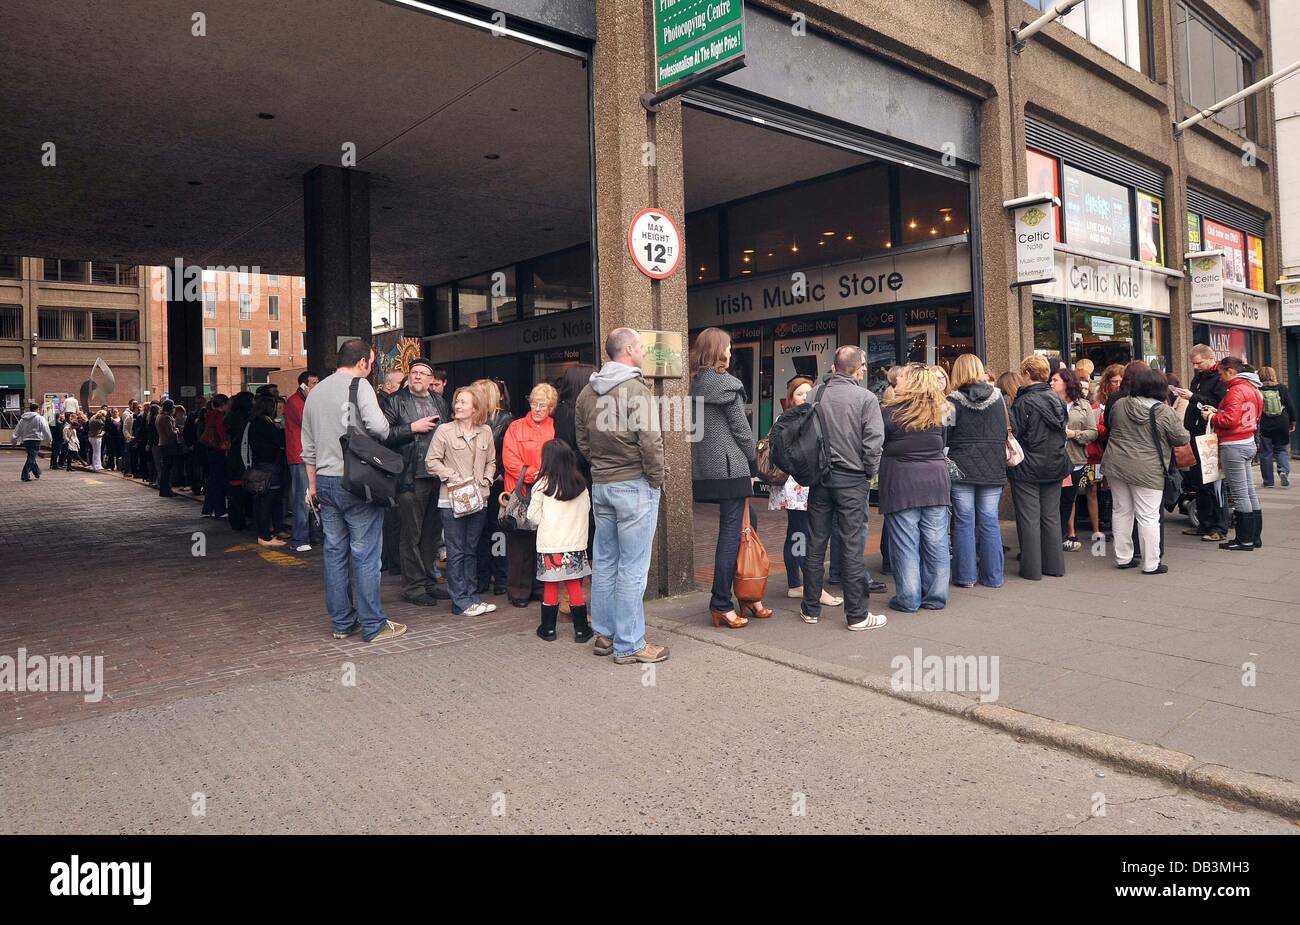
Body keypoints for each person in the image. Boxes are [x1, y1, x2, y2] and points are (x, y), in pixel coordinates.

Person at [303, 339, 432, 642]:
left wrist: (311, 487)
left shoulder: (315, 391)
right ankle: (373, 625)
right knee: (365, 554)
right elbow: (381, 429)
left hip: (324, 480)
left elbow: (307, 447)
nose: (371, 368)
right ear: (361, 362)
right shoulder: (359, 387)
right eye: (371, 363)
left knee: (335, 553)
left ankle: (342, 623)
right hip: (356, 481)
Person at [575, 328, 669, 663]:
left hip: (602, 484)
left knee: (604, 563)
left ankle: (604, 636)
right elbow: (651, 442)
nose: (643, 353)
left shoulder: (588, 392)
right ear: (628, 349)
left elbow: (582, 441)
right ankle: (630, 644)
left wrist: (600, 467)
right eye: (640, 348)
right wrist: (655, 479)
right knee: (632, 567)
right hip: (634, 484)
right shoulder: (636, 389)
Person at [797, 345, 887, 630]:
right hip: (852, 479)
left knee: (815, 542)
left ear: (834, 367)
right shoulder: (866, 398)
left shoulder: (815, 394)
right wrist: (868, 474)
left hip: (820, 478)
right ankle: (857, 615)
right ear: (858, 369)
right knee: (850, 545)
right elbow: (873, 442)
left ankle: (810, 609)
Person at [690, 327, 771, 629]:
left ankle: (748, 595)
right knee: (732, 533)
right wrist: (752, 467)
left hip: (708, 467)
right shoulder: (726, 385)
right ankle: (722, 603)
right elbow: (741, 430)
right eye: (728, 347)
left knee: (750, 525)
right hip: (731, 466)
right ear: (718, 352)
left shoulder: (695, 385)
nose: (730, 351)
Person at [1102, 365, 1190, 574]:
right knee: (1148, 516)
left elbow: (1112, 426)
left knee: (1121, 511)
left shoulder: (1120, 404)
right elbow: (1181, 438)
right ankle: (1151, 563)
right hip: (1147, 469)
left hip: (1116, 465)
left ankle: (1123, 557)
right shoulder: (1164, 411)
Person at [880, 365, 952, 612]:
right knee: (937, 542)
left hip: (901, 482)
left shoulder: (889, 413)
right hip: (935, 481)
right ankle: (936, 596)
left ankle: (909, 598)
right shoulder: (940, 410)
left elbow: (880, 443)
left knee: (905, 543)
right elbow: (942, 443)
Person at [383, 358, 452, 607]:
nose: (418, 376)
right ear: (409, 376)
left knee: (432, 534)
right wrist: (412, 427)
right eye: (414, 372)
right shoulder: (394, 401)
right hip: (409, 476)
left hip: (436, 475)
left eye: (424, 373)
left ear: (431, 379)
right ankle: (413, 587)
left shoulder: (439, 401)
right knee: (411, 533)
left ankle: (429, 582)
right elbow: (383, 435)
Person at [425, 384, 498, 617]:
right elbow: (431, 462)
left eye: (463, 402)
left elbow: (492, 462)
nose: (457, 405)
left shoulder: (485, 431)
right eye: (457, 401)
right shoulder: (445, 430)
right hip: (451, 500)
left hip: (479, 499)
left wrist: (486, 480)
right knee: (455, 551)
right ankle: (460, 601)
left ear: (476, 407)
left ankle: (472, 597)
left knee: (471, 549)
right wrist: (453, 476)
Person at [770, 377, 843, 606]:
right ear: (791, 397)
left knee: (796, 532)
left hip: (802, 484)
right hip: (796, 485)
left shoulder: (808, 416)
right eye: (800, 394)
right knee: (801, 533)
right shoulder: (791, 419)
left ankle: (795, 583)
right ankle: (809, 587)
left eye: (808, 393)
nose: (805, 397)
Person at [946, 353, 1007, 589]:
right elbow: (1004, 430)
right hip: (992, 466)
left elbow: (946, 435)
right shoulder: (999, 397)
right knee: (990, 521)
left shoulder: (951, 401)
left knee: (963, 522)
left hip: (961, 467)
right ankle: (993, 577)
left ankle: (965, 576)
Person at [1008, 354, 1069, 581]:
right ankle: (1054, 565)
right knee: (1051, 516)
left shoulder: (1022, 401)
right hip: (1054, 463)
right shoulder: (1058, 400)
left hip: (1027, 466)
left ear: (1026, 374)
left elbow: (1015, 433)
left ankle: (1032, 569)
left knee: (1029, 518)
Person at [526, 438, 593, 642]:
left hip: (550, 545)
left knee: (550, 585)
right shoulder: (581, 484)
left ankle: (548, 629)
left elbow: (532, 517)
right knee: (574, 585)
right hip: (575, 544)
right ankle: (581, 630)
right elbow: (587, 510)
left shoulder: (542, 486)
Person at [502, 383, 557, 607]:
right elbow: (509, 459)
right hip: (522, 493)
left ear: (551, 407)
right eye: (534, 403)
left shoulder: (555, 427)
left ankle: (539, 587)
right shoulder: (515, 427)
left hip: (546, 494)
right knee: (520, 544)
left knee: (543, 543)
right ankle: (518, 591)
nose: (537, 408)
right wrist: (535, 475)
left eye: (542, 405)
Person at [1203, 356, 1264, 551]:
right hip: (1248, 440)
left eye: (1221, 373)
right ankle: (1254, 537)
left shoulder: (1235, 390)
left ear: (1230, 371)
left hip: (1234, 444)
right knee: (1249, 491)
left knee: (1239, 494)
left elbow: (1228, 420)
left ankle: (1244, 539)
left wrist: (1212, 416)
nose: (1220, 377)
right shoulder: (1252, 388)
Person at [1171, 345, 1229, 542]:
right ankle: (1204, 523)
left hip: (1208, 434)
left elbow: (1219, 403)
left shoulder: (1219, 378)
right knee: (1199, 482)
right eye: (1193, 363)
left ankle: (1219, 527)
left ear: (1210, 358)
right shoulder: (1200, 377)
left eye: (1199, 363)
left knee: (1212, 482)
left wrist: (1192, 396)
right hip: (1195, 432)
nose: (1196, 367)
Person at [1051, 367, 1098, 552]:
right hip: (1052, 458)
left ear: (1066, 382)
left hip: (1074, 459)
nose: (1051, 383)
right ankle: (1051, 538)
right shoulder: (1049, 401)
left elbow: (1092, 432)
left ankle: (1061, 536)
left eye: (1055, 380)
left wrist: (1074, 434)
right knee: (1050, 501)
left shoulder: (1082, 405)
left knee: (1067, 500)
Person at [475, 379, 514, 598]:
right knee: (480, 531)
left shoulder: (504, 418)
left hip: (497, 481)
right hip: (476, 482)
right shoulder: (473, 419)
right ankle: (482, 575)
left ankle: (501, 577)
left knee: (498, 531)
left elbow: (505, 451)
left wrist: (493, 474)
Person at [283, 370, 321, 550]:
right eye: (313, 383)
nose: (317, 386)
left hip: (310, 455)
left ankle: (313, 535)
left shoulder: (304, 401)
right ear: (303, 386)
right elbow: (309, 421)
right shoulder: (294, 402)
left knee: (313, 497)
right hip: (300, 456)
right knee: (301, 497)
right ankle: (300, 538)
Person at [246, 393, 288, 548]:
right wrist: (282, 429)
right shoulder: (265, 424)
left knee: (261, 500)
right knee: (267, 500)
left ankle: (263, 532)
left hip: (259, 464)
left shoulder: (254, 422)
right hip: (269, 466)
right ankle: (265, 536)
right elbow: (280, 439)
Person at [1257, 366, 1294, 489]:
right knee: (1281, 450)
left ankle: (1268, 481)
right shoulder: (1282, 388)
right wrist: (1292, 421)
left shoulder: (1258, 389)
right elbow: (1290, 406)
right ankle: (1283, 471)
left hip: (1265, 424)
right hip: (1281, 422)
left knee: (1266, 452)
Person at [224, 392, 255, 531]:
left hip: (232, 457)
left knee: (234, 492)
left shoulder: (230, 417)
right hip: (242, 457)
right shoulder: (247, 418)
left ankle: (236, 520)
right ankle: (242, 520)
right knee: (242, 490)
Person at [200, 394, 230, 519]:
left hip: (210, 448)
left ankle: (208, 509)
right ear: (223, 404)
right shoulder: (219, 416)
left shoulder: (209, 414)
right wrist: (226, 443)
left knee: (213, 479)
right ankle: (219, 509)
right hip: (218, 449)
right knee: (218, 479)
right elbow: (221, 432)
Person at [13, 402, 53, 481]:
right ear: (37, 409)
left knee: (31, 456)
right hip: (35, 440)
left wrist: (14, 441)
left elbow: (17, 430)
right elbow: (45, 429)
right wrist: (49, 440)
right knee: (32, 457)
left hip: (26, 440)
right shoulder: (40, 418)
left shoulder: (23, 418)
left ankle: (37, 472)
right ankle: (25, 475)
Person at [156, 400, 181, 497]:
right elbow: (170, 433)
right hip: (168, 444)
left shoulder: (159, 416)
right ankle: (166, 489)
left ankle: (165, 489)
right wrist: (177, 431)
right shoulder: (166, 417)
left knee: (165, 468)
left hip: (162, 443)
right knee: (167, 468)